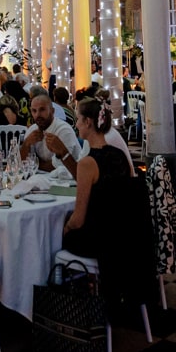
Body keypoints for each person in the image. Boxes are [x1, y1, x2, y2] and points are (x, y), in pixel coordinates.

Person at [61, 98, 132, 255]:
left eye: (78, 119)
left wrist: (65, 228)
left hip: (98, 240)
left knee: (54, 236)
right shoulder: (119, 155)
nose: (76, 124)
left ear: (87, 122)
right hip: (123, 234)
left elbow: (78, 220)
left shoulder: (87, 164)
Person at [20, 94, 82, 176]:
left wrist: (35, 163)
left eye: (42, 110)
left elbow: (59, 166)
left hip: (68, 181)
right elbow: (21, 163)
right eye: (34, 111)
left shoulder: (64, 130)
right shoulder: (32, 130)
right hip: (43, 179)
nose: (37, 115)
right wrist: (26, 143)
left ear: (52, 111)